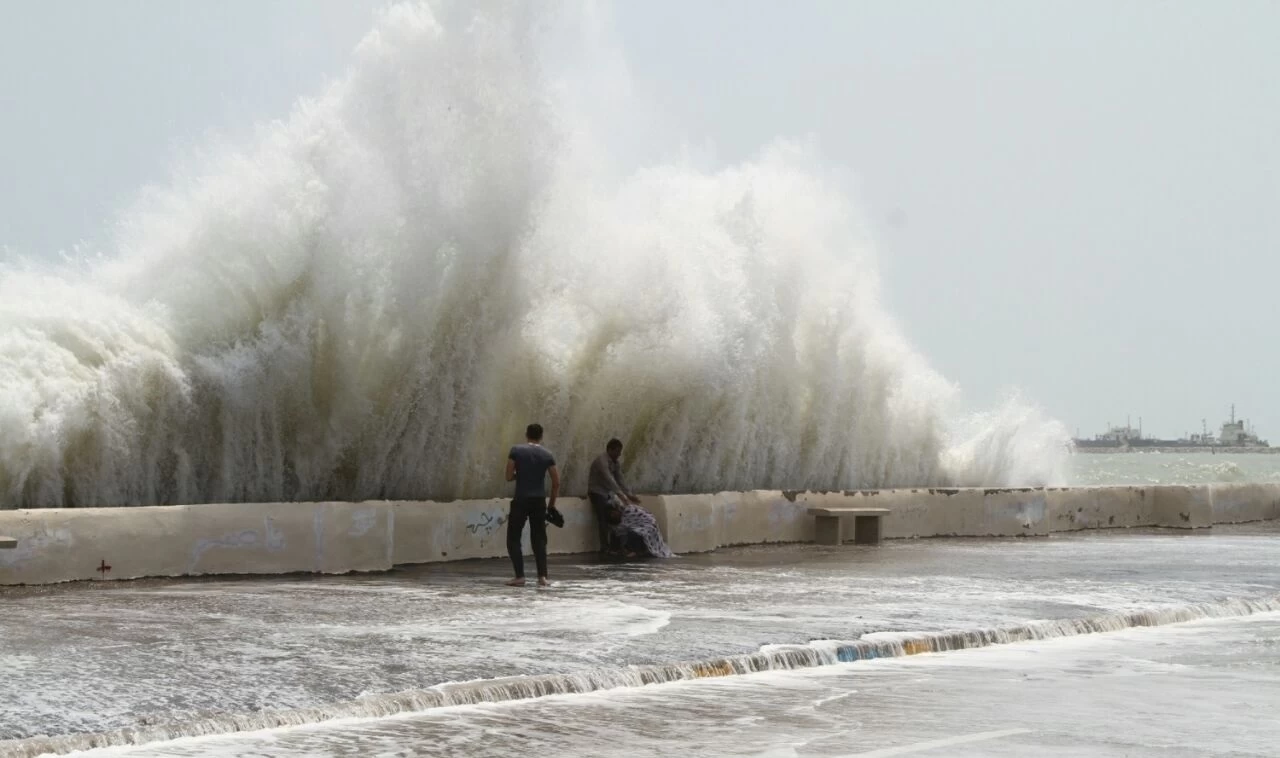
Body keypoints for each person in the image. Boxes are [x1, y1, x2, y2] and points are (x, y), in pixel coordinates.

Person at [505, 423, 560, 587]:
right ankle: (542, 577)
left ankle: (519, 576)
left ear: (526, 434)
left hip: (521, 500)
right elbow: (556, 483)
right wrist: (551, 506)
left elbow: (508, 476)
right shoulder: (547, 454)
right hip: (539, 501)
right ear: (541, 437)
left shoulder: (516, 450)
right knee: (539, 539)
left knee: (513, 538)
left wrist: (519, 475)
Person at [588, 438, 640, 554]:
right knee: (602, 519)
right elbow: (610, 480)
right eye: (617, 451)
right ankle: (605, 548)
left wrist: (629, 494)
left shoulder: (615, 462)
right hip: (596, 493)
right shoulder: (602, 462)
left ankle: (616, 547)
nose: (619, 454)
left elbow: (620, 479)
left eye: (620, 451)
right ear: (610, 450)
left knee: (617, 517)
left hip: (607, 494)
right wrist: (621, 496)